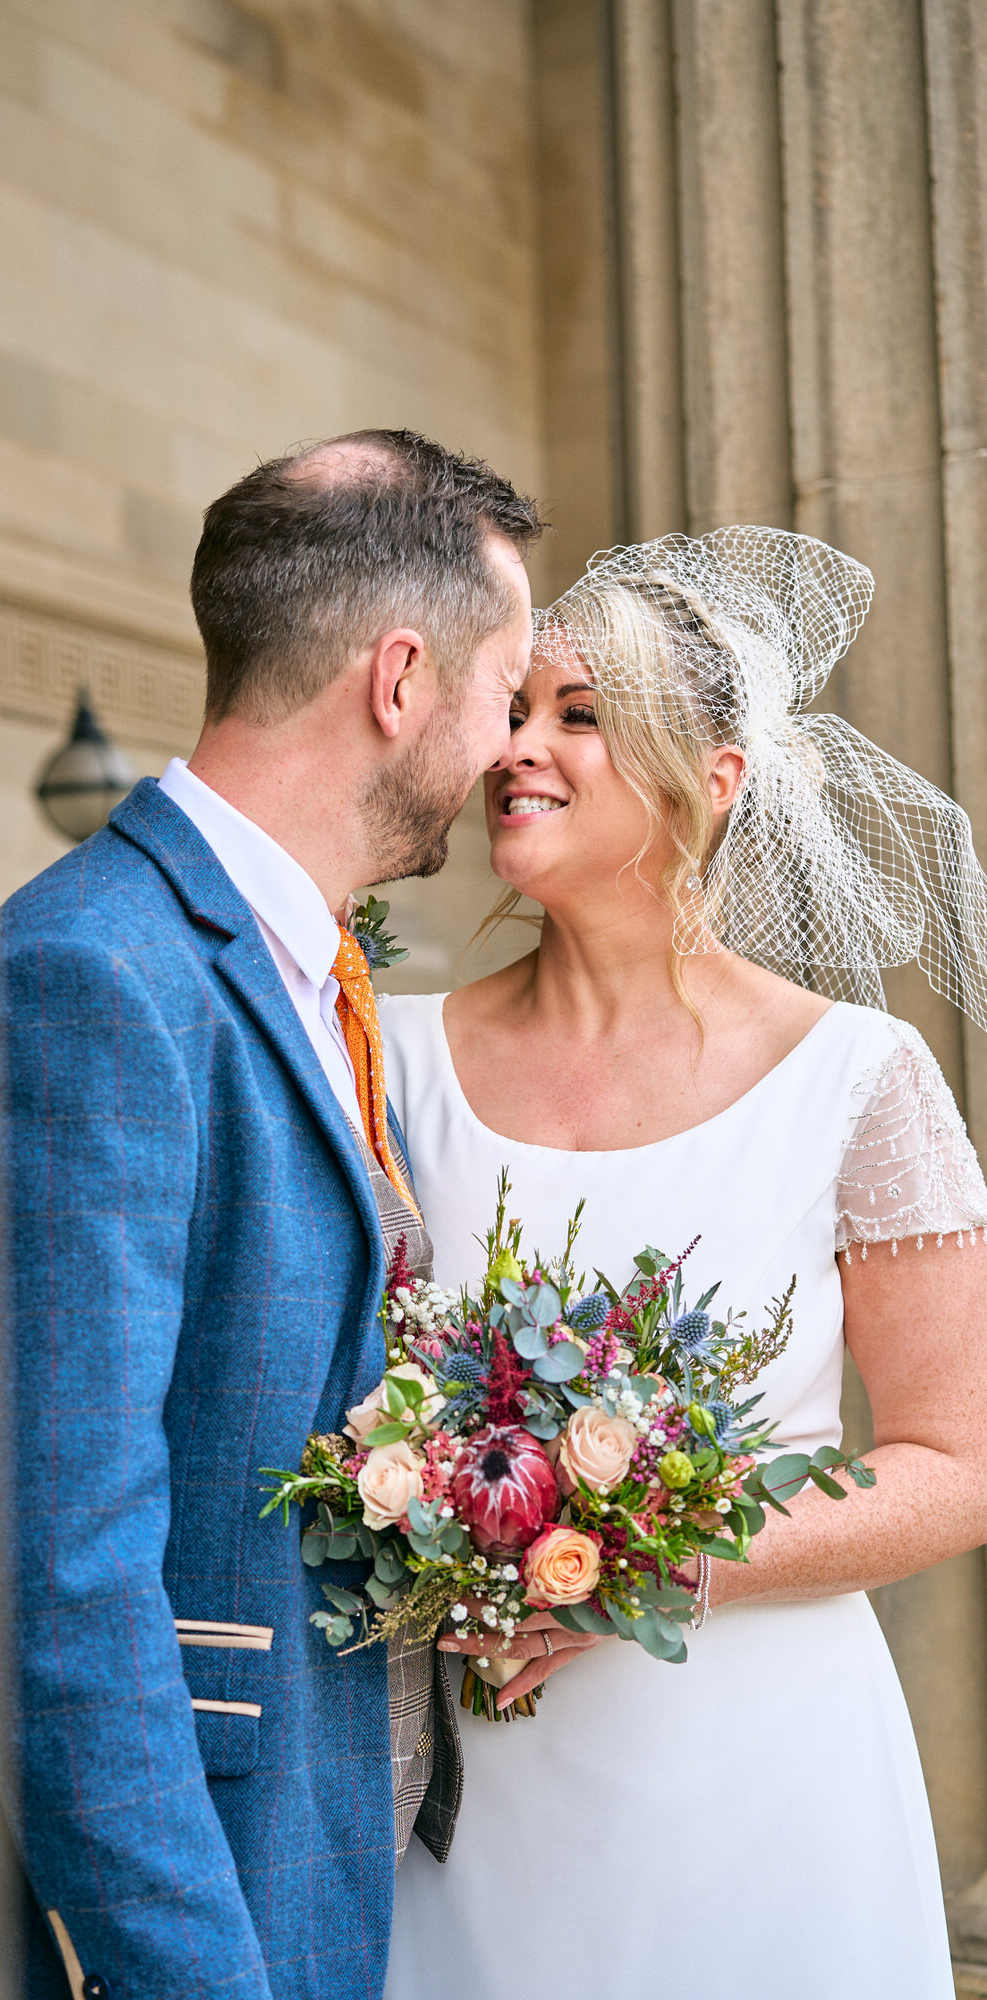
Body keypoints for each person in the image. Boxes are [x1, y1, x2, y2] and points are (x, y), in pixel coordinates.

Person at [0, 429, 541, 2000]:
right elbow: (53, 1569)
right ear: (399, 680)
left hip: (331, 1841)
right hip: (200, 1887)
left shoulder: (305, 970)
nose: (507, 749)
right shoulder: (94, 977)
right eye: (504, 690)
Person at [380, 528, 987, 1998]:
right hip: (469, 1780)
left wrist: (644, 1568)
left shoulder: (855, 1074)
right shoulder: (385, 1053)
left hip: (757, 1764)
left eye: (579, 716)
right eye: (514, 710)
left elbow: (954, 1462)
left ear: (715, 778)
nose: (521, 747)